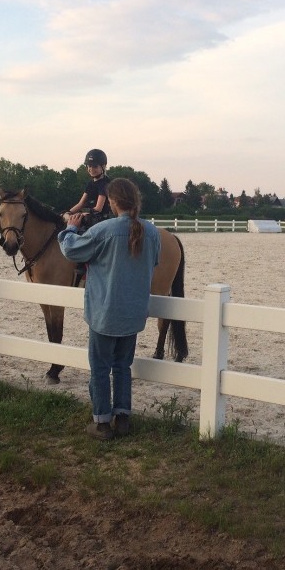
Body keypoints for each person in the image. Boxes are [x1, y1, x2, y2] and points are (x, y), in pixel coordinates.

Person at [58, 177, 160, 440]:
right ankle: (123, 418)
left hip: (105, 311)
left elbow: (71, 251)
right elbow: (154, 262)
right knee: (123, 367)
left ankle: (102, 423)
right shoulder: (151, 231)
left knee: (101, 367)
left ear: (113, 202)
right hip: (133, 312)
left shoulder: (105, 230)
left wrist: (70, 228)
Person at [67, 148, 112, 223]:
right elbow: (81, 203)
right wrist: (68, 212)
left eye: (95, 166)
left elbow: (98, 208)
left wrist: (81, 214)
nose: (91, 169)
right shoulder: (90, 183)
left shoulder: (104, 184)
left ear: (103, 166)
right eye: (89, 166)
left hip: (100, 219)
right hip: (89, 216)